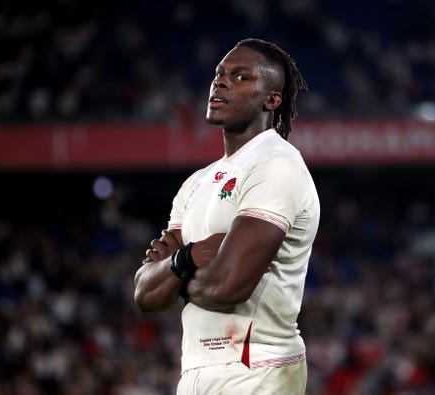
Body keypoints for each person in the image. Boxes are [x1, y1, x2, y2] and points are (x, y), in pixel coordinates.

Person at [133, 37, 320, 394]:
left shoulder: (276, 165)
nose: (220, 82)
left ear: (272, 100)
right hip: (196, 370)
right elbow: (145, 294)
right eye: (219, 74)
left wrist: (175, 273)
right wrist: (188, 258)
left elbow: (228, 286)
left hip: (257, 367)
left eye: (241, 77)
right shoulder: (196, 183)